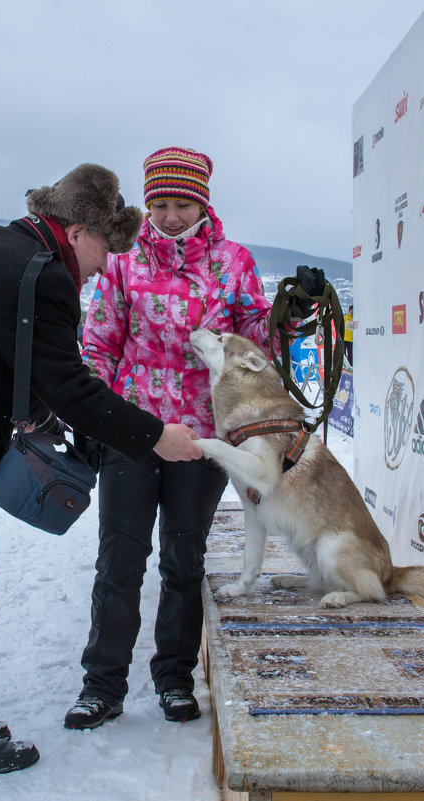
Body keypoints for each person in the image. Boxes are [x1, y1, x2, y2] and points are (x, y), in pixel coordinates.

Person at [0, 163, 203, 781]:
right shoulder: (45, 274)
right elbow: (72, 386)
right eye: (101, 252)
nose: (97, 270)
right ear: (79, 229)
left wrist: (27, 408)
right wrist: (156, 436)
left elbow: (6, 353)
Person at [64, 146, 321, 731]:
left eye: (183, 203)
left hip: (203, 438)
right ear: (147, 202)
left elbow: (258, 340)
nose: (172, 216)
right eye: (161, 203)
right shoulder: (124, 260)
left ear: (202, 202)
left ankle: (174, 677)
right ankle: (101, 685)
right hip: (135, 432)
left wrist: (293, 312)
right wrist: (101, 418)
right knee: (120, 560)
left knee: (183, 560)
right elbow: (100, 343)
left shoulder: (233, 263)